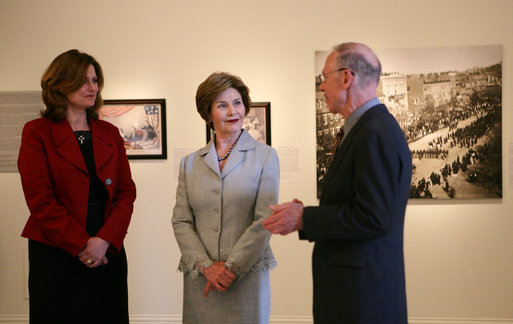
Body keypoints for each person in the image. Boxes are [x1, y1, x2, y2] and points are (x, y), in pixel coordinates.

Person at [263, 42, 412, 323]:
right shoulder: (368, 129)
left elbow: (372, 217)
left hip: (362, 300)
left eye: (324, 78)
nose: (321, 87)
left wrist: (305, 217)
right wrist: (306, 215)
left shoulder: (374, 133)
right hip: (357, 293)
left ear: (346, 78)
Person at [18, 49, 136, 323]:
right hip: (55, 247)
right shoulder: (36, 131)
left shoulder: (109, 133)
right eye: (83, 80)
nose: (92, 87)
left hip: (108, 245)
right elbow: (40, 200)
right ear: (60, 84)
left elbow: (126, 192)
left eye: (95, 80)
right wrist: (84, 245)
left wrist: (103, 241)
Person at [172, 72, 279, 324]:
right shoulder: (190, 163)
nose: (233, 111)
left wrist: (230, 268)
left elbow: (265, 219)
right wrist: (207, 266)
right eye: (222, 105)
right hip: (202, 279)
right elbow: (181, 221)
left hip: (246, 277)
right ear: (208, 113)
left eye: (237, 103)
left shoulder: (265, 156)